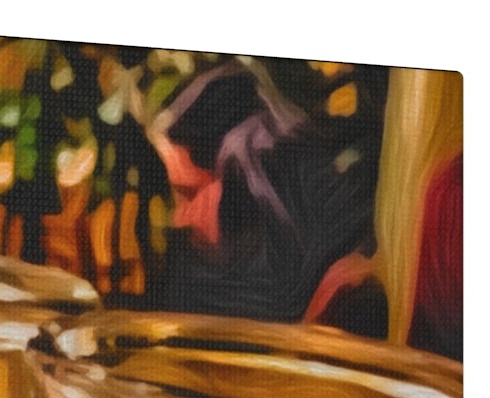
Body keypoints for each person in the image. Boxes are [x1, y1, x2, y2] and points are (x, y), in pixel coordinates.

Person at [148, 63, 380, 328]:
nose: (179, 218)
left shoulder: (327, 257)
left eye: (188, 194)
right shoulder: (188, 264)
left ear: (240, 175)